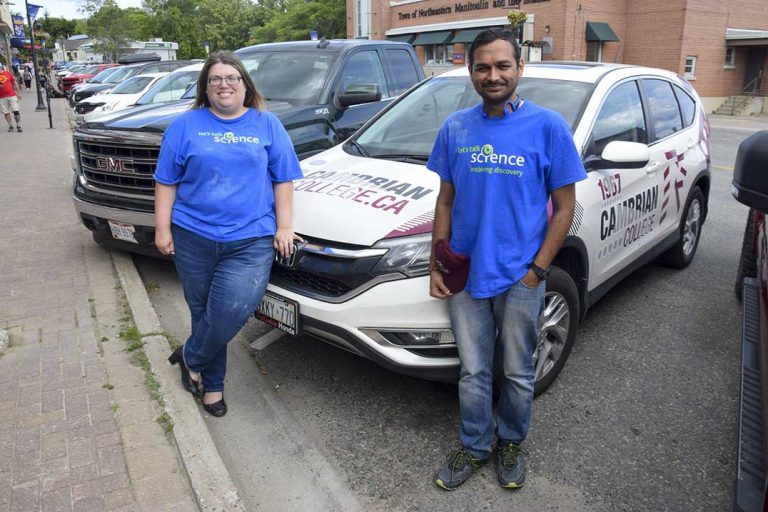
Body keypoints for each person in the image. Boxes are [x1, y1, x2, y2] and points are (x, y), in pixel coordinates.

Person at [427, 28, 587, 490]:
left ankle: (511, 441)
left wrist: (538, 272)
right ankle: (475, 445)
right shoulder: (456, 127)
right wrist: (438, 263)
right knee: (473, 370)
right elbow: (444, 203)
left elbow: (564, 208)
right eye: (483, 67)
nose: (492, 75)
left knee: (517, 370)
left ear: (520, 68)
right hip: (466, 273)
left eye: (502, 66)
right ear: (470, 71)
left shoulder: (548, 127)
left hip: (522, 276)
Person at [154, 50, 303, 417]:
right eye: (215, 79)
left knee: (230, 311)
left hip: (250, 239)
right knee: (204, 312)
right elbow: (166, 181)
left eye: (231, 78)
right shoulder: (184, 126)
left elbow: (283, 178)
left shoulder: (266, 124)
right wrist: (162, 228)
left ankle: (189, 356)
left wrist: (285, 226)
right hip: (193, 236)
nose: (224, 84)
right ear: (205, 88)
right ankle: (212, 387)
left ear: (244, 85)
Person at [0, 63, 22, 132]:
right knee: (6, 112)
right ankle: (10, 125)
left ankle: (18, 125)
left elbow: (14, 83)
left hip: (12, 95)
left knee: (16, 110)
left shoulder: (7, 73)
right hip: (2, 97)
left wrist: (18, 93)